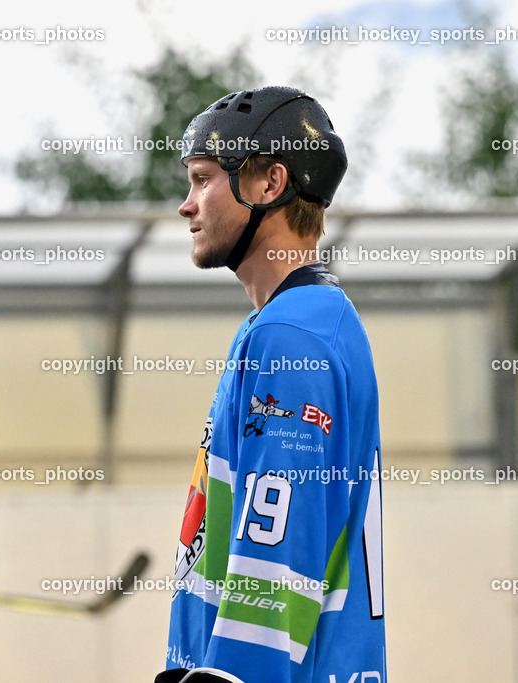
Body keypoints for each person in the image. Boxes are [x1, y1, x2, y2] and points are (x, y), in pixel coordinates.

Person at [158, 87, 386, 683]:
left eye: (203, 179)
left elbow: (275, 566)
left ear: (269, 183)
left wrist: (228, 678)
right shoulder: (294, 322)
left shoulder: (291, 335)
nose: (186, 205)